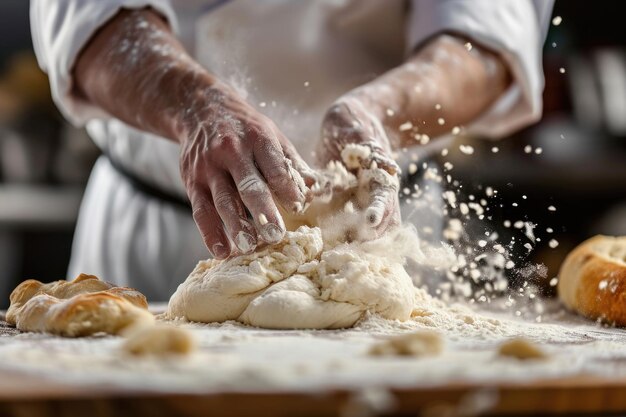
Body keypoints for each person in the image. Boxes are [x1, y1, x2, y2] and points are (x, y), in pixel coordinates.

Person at [31, 0, 554, 301]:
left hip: (375, 234)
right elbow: (86, 17)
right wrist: (195, 105)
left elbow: (484, 40)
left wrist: (380, 113)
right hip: (153, 233)